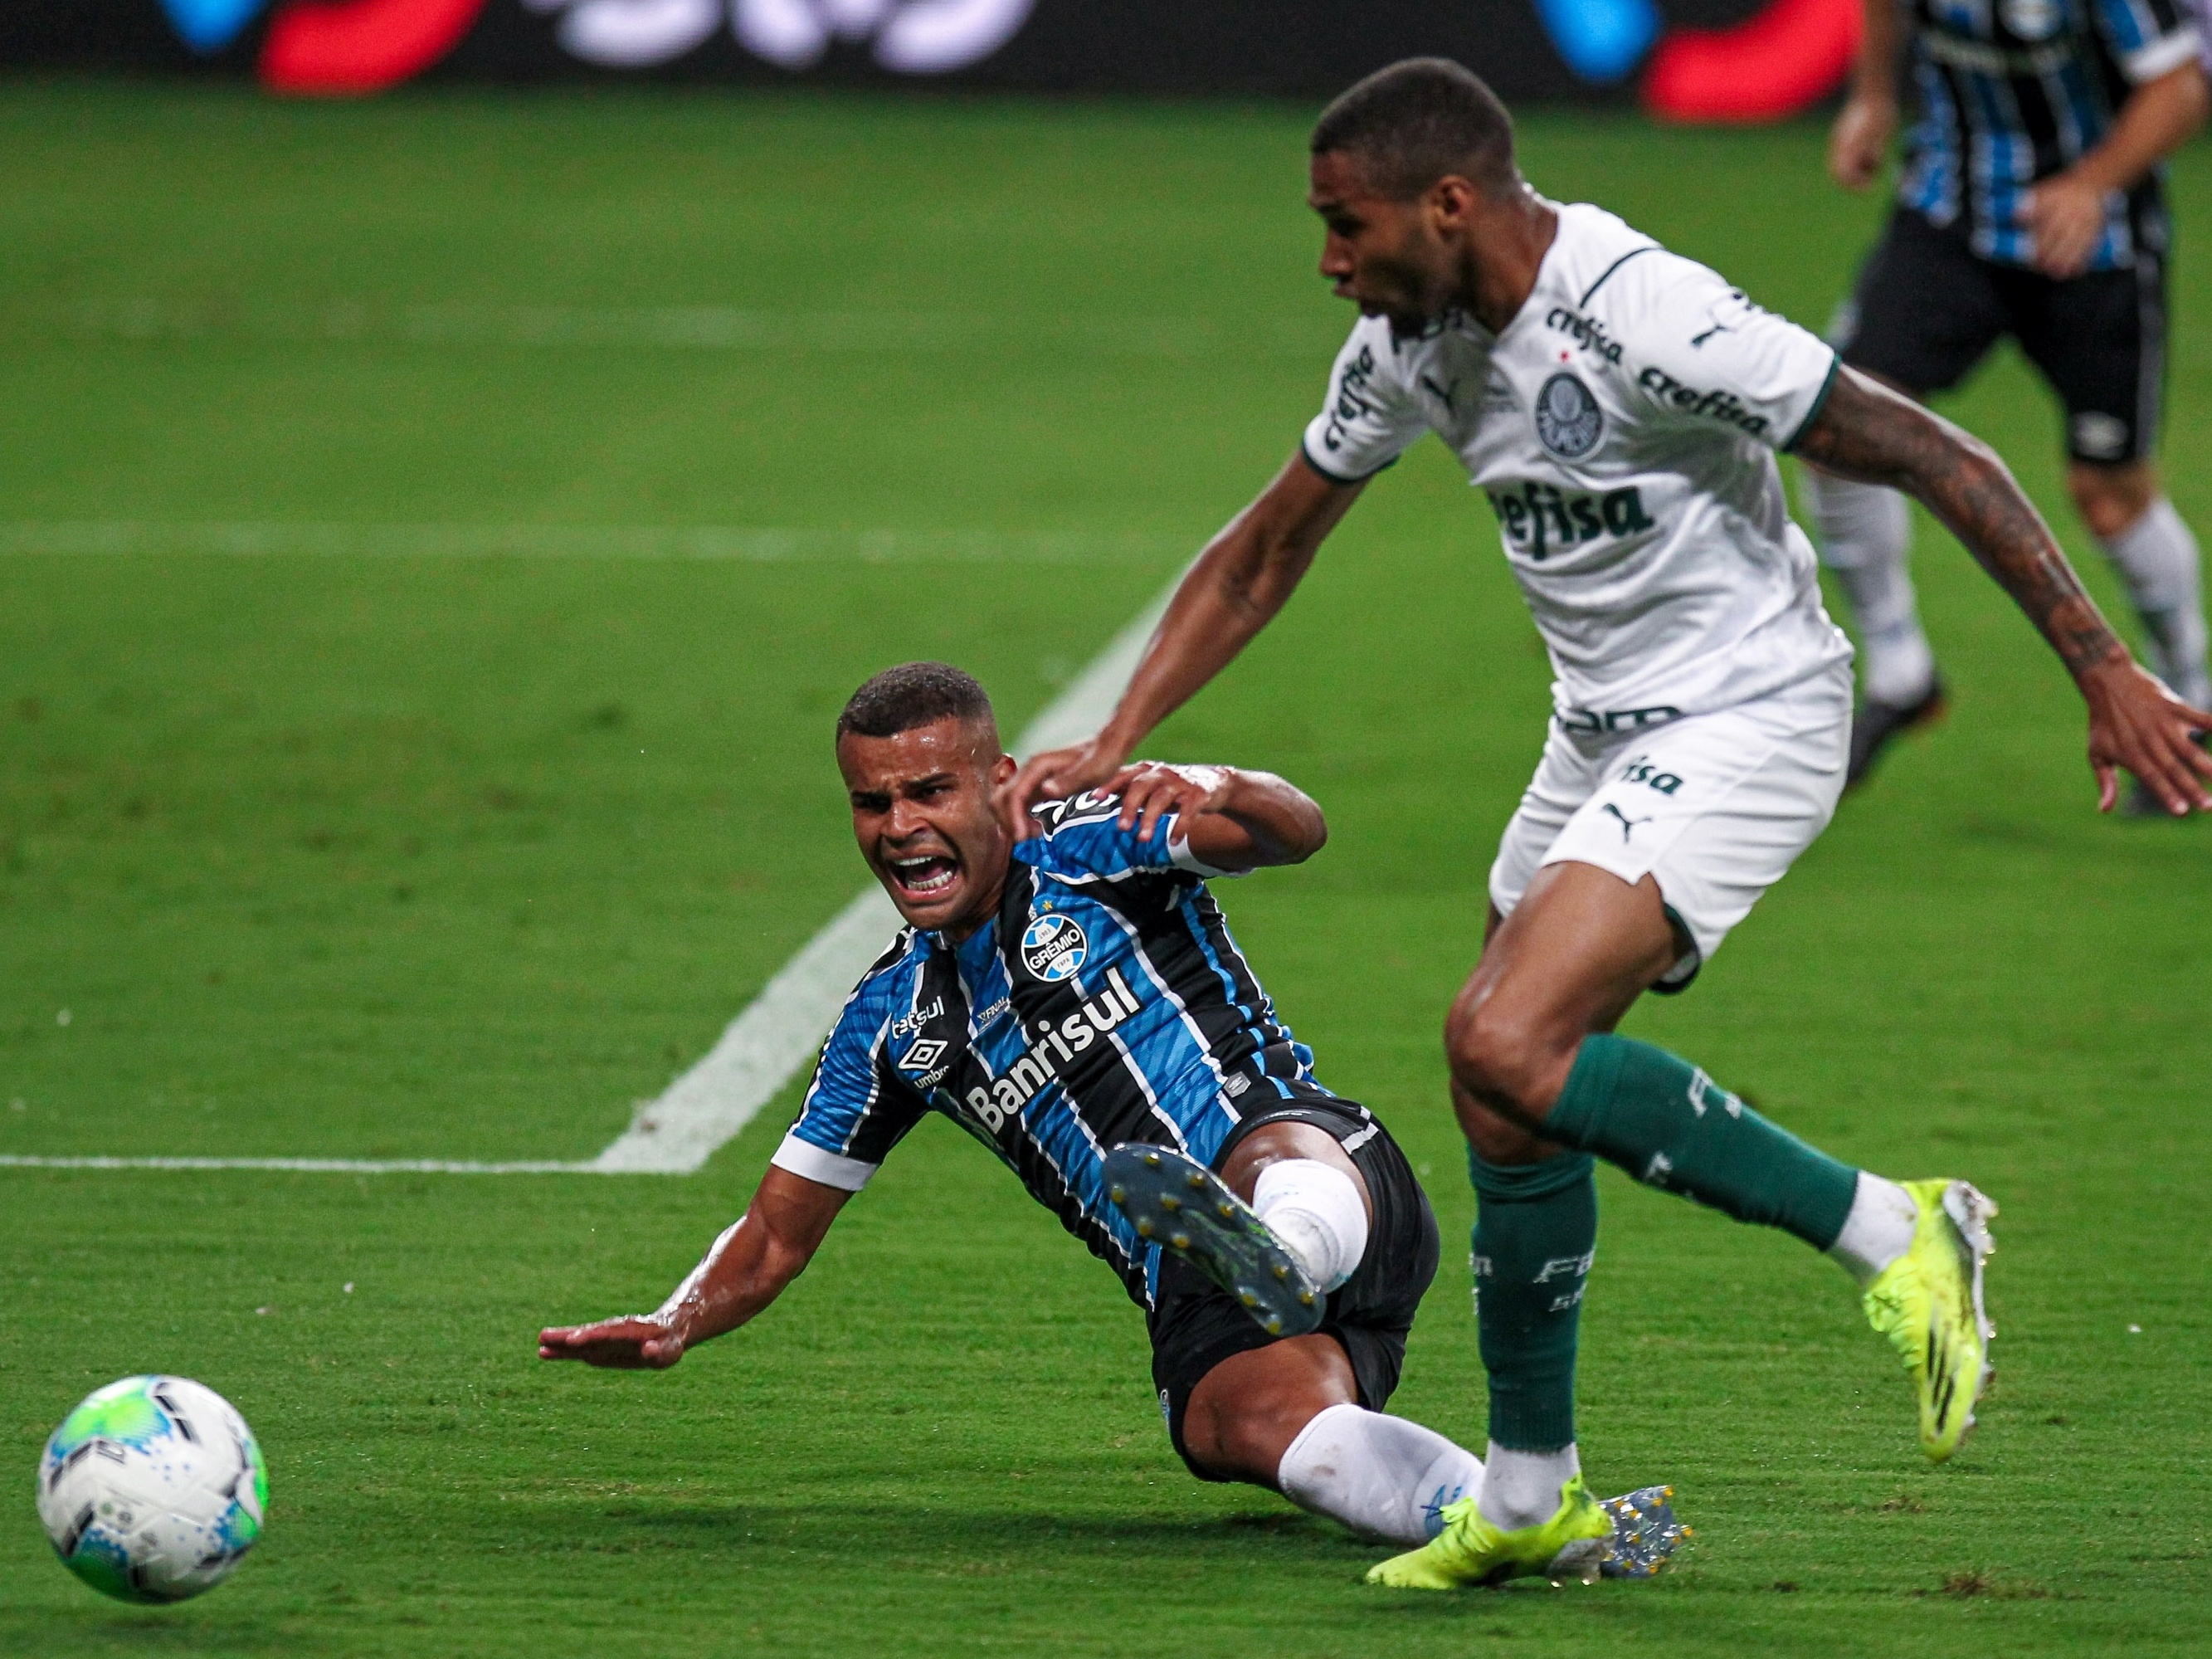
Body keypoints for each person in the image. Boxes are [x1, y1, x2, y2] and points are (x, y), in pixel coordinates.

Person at [1003, 58, 2212, 1590]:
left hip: (1754, 712)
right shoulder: (1408, 341)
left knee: (1504, 1034)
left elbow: (1934, 449)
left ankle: (1896, 1226)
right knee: (1510, 1096)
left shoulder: (1646, 313)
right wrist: (1117, 738)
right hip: (1600, 731)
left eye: (1344, 223)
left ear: (1449, 204)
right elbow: (1264, 549)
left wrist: (2104, 667)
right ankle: (1527, 1490)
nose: (1327, 261)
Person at [538, 662, 1684, 1581]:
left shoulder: (1087, 839)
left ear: (996, 781)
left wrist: (1201, 776)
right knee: (1245, 1429)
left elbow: (1293, 830)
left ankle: (1276, 1249)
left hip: (1322, 1164)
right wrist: (679, 1319)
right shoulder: (889, 1022)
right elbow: (777, 1233)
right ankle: (1533, 1521)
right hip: (1194, 1287)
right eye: (871, 800)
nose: (898, 825)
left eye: (928, 791)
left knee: (1257, 1151)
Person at [1818, 0, 2210, 791]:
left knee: (2108, 495)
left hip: (2093, 249)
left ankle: (2189, 699)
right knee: (1838, 431)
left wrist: (2092, 183)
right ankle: (1900, 670)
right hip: (1950, 221)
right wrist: (1875, 99)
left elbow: (2179, 88)